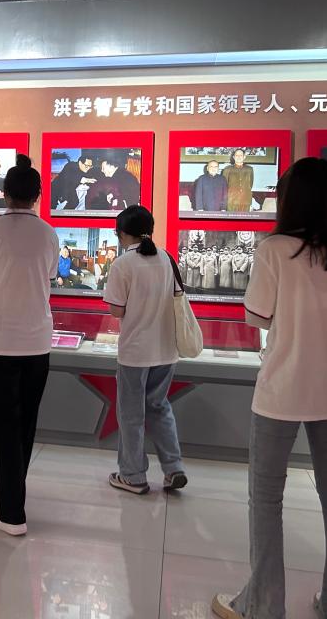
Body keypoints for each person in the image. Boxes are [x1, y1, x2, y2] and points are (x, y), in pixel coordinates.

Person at [213, 157, 327, 619]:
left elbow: (256, 315)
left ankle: (263, 605)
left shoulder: (274, 249)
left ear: (290, 198)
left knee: (266, 498)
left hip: (282, 389)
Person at [0, 154, 59, 536]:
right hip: (37, 342)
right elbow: (48, 279)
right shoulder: (49, 234)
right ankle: (12, 498)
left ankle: (11, 512)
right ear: (37, 195)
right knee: (25, 423)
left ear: (5, 193)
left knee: (4, 426)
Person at [103, 205, 187, 495]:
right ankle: (174, 468)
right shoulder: (166, 258)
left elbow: (117, 310)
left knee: (131, 414)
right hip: (166, 350)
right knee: (159, 407)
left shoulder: (122, 264)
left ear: (122, 234)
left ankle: (133, 475)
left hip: (135, 353)